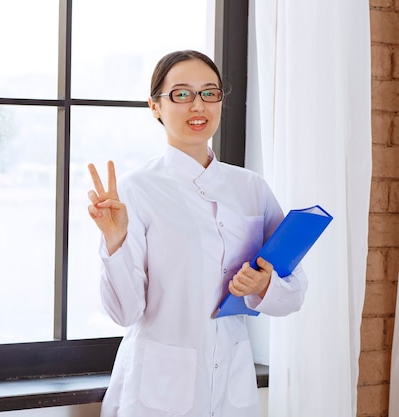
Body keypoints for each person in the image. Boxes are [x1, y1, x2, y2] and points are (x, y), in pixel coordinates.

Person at [86, 50, 308, 417]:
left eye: (209, 93)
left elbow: (295, 290)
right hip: (158, 386)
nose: (198, 105)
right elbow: (126, 313)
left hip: (232, 381)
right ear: (155, 106)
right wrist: (115, 242)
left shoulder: (251, 187)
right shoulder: (135, 190)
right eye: (181, 94)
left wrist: (263, 286)